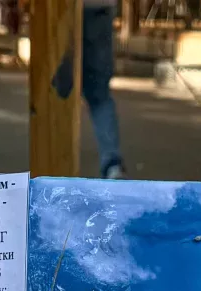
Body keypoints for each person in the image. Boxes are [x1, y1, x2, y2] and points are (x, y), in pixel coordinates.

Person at [54, 0, 123, 178]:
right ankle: (112, 164)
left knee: (58, 92)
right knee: (100, 95)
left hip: (62, 10)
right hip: (101, 7)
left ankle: (54, 161)